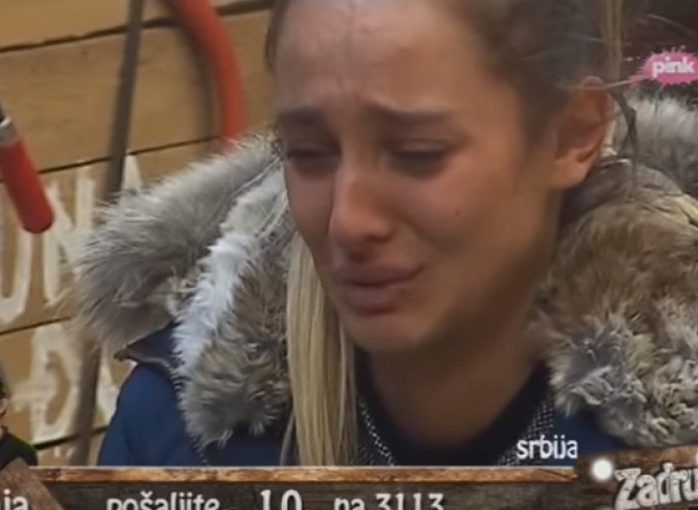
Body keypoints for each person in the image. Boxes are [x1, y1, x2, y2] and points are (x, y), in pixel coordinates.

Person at [73, 0, 698, 466]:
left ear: (572, 135)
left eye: (417, 153)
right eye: (308, 153)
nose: (349, 221)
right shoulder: (179, 434)